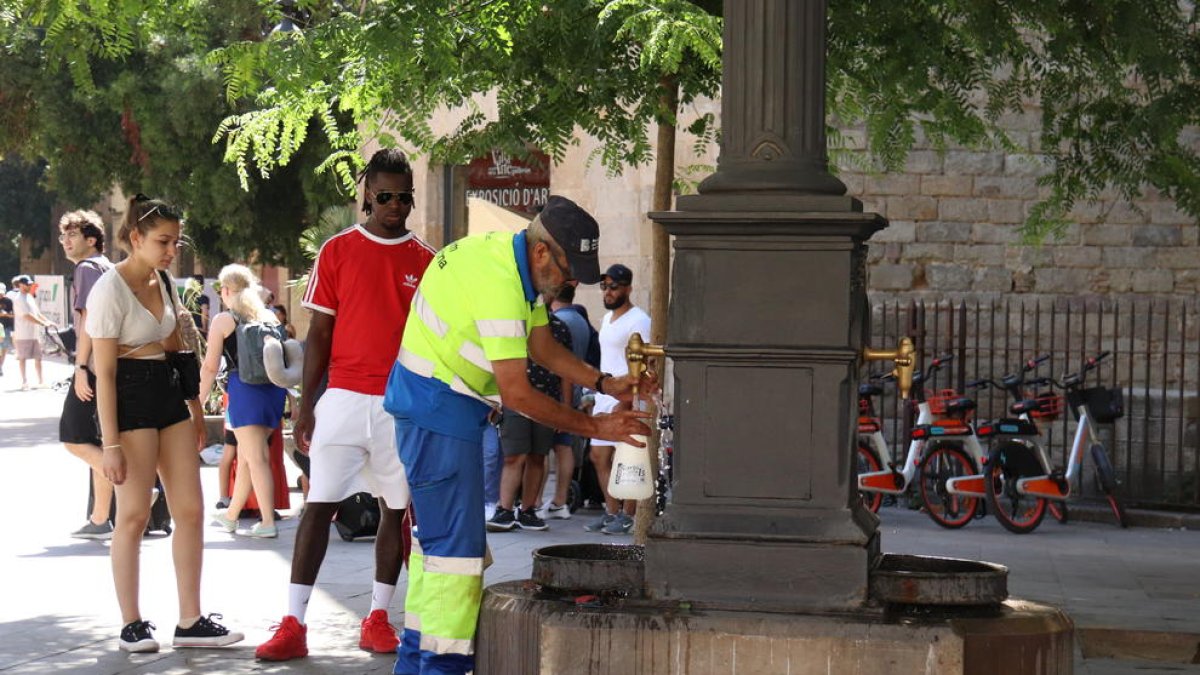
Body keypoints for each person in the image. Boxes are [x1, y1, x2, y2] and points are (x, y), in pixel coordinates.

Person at [385, 195, 653, 675]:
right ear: (543, 251)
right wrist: (596, 426)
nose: (572, 283)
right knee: (457, 555)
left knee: (438, 549)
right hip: (438, 411)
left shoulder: (512, 263)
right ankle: (441, 667)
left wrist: (604, 383)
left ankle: (415, 663)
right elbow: (518, 394)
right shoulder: (501, 284)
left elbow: (542, 345)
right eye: (570, 271)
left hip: (438, 408)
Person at [255, 149, 435, 662]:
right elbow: (319, 334)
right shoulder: (337, 250)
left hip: (400, 404)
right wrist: (305, 405)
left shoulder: (426, 260)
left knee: (395, 510)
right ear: (367, 195)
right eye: (385, 195)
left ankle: (378, 618)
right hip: (344, 397)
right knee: (319, 505)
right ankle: (293, 623)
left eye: (404, 197)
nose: (395, 205)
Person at [88, 194, 243, 653]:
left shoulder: (164, 280)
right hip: (130, 397)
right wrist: (110, 445)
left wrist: (195, 407)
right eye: (163, 241)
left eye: (176, 241)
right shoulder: (109, 290)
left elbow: (177, 349)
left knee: (190, 510)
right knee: (134, 514)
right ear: (135, 237)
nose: (172, 250)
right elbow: (105, 374)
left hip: (169, 395)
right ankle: (131, 624)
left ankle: (190, 620)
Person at [201, 264, 288, 538]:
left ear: (227, 290)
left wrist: (199, 400)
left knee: (256, 457)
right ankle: (231, 516)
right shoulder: (269, 316)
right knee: (249, 457)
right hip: (273, 391)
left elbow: (210, 367)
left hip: (245, 390)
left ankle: (267, 522)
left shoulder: (224, 320)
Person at [485, 297, 573, 532]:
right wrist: (494, 397)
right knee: (514, 455)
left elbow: (566, 371)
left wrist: (565, 408)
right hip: (515, 398)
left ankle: (527, 510)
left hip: (546, 400)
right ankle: (505, 509)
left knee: (537, 456)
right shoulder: (512, 322)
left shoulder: (559, 328)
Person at [57, 210, 117, 539]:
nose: (65, 241)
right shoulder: (109, 268)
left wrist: (81, 368)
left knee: (74, 438)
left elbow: (90, 321)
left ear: (91, 240)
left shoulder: (87, 268)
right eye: (63, 236)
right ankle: (100, 520)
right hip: (112, 366)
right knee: (100, 442)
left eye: (72, 235)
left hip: (93, 367)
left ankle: (129, 484)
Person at [584, 263, 651, 536]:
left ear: (628, 289)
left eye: (613, 287)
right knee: (598, 455)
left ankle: (628, 514)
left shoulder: (639, 320)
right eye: (604, 286)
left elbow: (644, 363)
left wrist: (629, 399)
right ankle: (611, 511)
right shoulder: (606, 319)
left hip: (629, 394)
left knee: (628, 455)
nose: (608, 292)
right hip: (605, 393)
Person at [535, 282, 595, 519]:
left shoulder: (557, 322)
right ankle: (560, 500)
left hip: (557, 391)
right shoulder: (580, 320)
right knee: (564, 446)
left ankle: (539, 500)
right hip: (574, 389)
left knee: (542, 449)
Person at [11, 274, 54, 389]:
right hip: (23, 334)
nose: (29, 286)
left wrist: (47, 321)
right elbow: (26, 315)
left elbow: (37, 313)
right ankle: (24, 382)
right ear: (21, 285)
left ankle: (41, 381)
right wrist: (42, 323)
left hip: (34, 333)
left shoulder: (29, 297)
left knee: (38, 357)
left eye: (30, 284)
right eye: (27, 284)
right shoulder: (19, 299)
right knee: (22, 358)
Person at [0, 282, 13, 377]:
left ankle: (0, 366)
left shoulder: (8, 301)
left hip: (6, 326)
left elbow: (13, 314)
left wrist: (7, 314)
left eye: (1, 293)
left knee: (4, 347)